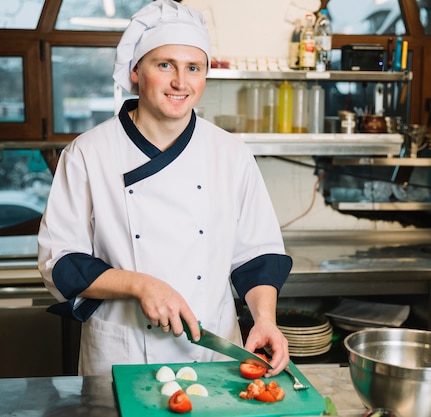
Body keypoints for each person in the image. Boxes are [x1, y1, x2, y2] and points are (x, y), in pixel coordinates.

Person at [37, 0, 292, 377]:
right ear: (137, 71)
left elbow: (257, 255)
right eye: (165, 65)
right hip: (122, 353)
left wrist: (265, 320)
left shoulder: (231, 154)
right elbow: (60, 261)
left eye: (194, 68)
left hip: (214, 350)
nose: (180, 82)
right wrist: (141, 284)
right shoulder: (89, 153)